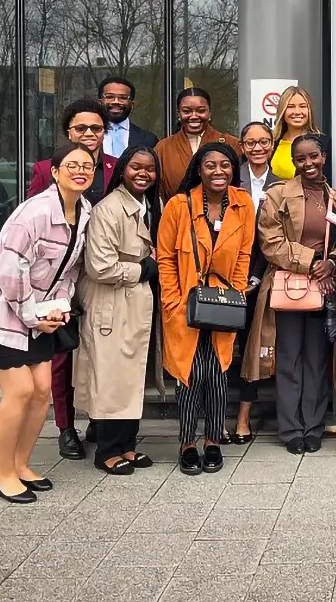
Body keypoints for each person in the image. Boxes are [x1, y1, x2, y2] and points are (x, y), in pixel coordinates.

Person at [0, 143, 92, 503]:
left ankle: (21, 465)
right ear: (55, 171)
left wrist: (57, 310)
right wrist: (34, 315)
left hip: (41, 315)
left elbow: (70, 270)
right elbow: (9, 270)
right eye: (72, 165)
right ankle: (3, 475)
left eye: (87, 166)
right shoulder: (32, 213)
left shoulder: (84, 212)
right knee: (18, 390)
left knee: (41, 391)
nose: (80, 171)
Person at [27, 99, 117, 460]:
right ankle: (66, 427)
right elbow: (35, 217)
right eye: (81, 128)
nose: (89, 134)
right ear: (68, 132)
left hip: (100, 273)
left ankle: (97, 416)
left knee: (99, 349)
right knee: (61, 354)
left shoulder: (114, 167)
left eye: (96, 128)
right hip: (60, 274)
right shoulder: (46, 168)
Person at [243, 134, 336, 454]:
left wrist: (332, 261)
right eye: (300, 159)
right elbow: (269, 241)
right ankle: (290, 429)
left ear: (324, 156)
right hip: (288, 286)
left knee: (317, 360)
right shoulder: (278, 195)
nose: (308, 164)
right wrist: (313, 261)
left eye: (313, 156)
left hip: (324, 287)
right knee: (289, 360)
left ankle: (313, 426)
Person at [157, 142, 255, 476]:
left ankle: (213, 440)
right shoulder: (178, 206)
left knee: (217, 373)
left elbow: (244, 254)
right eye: (210, 165)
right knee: (189, 374)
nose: (218, 171)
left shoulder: (243, 205)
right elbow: (166, 257)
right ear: (198, 169)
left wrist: (237, 291)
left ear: (233, 170)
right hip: (184, 302)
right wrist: (171, 301)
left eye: (225, 165)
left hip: (223, 302)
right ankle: (187, 443)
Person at [74, 145, 161, 475]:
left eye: (150, 168)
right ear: (122, 169)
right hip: (112, 303)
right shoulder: (108, 209)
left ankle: (127, 444)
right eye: (136, 167)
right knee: (111, 377)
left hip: (135, 303)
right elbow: (99, 267)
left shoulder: (149, 205)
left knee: (130, 376)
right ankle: (107, 450)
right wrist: (142, 270)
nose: (143, 173)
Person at [229, 119, 280, 444]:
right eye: (251, 142)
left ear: (272, 145)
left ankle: (243, 418)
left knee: (250, 347)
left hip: (259, 278)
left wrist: (255, 275)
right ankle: (215, 413)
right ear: (242, 146)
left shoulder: (283, 183)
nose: (258, 147)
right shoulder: (228, 177)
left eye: (264, 141)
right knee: (219, 348)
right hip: (224, 276)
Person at [154, 87, 237, 202]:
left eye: (201, 110)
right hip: (178, 215)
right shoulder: (163, 147)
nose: (194, 116)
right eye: (187, 111)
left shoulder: (230, 143)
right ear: (179, 114)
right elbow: (157, 191)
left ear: (209, 113)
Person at [269, 85, 332, 183]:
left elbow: (327, 181)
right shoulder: (273, 142)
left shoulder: (323, 142)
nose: (297, 112)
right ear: (282, 111)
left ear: (309, 110)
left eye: (303, 106)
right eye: (290, 107)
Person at [99, 76, 159, 158]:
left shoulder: (148, 139)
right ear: (100, 102)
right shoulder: (87, 135)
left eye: (123, 98)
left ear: (132, 104)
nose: (116, 101)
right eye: (109, 97)